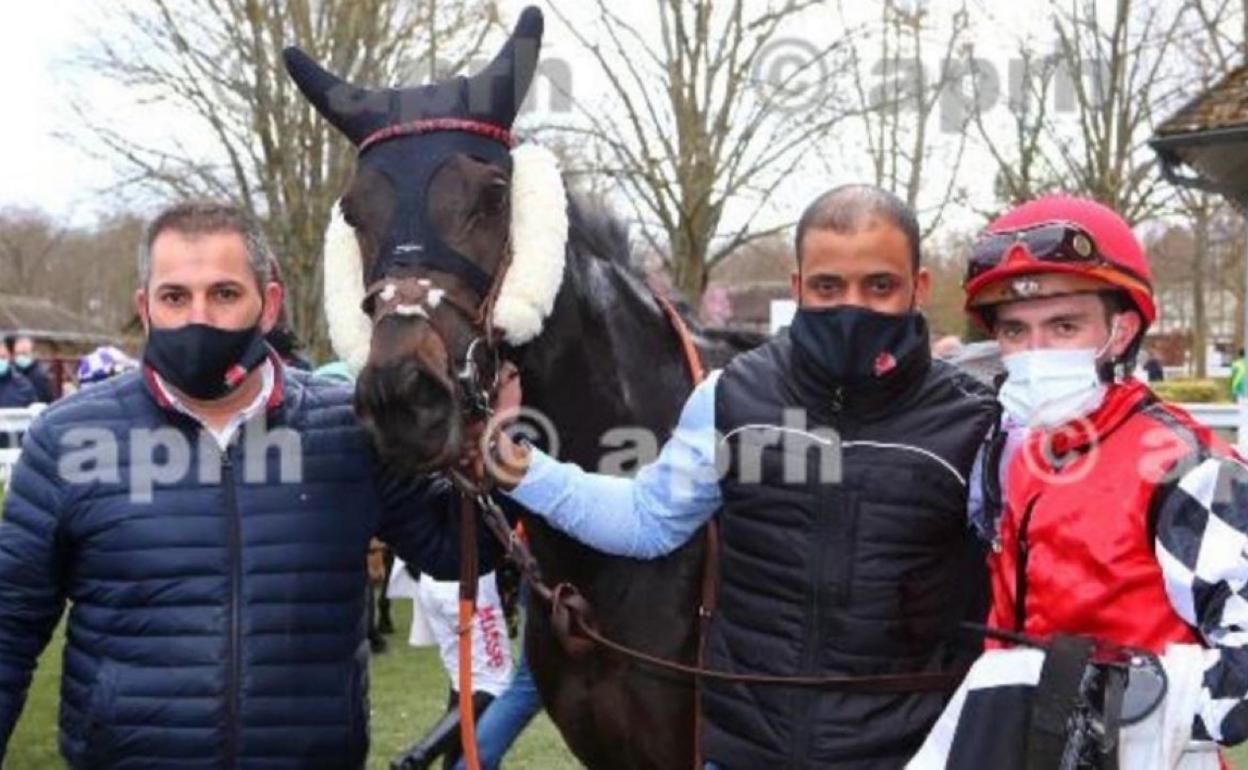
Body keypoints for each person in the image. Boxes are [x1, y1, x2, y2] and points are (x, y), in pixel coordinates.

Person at [481, 185, 1000, 769]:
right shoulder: (731, 397)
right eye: (828, 287)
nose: (852, 307)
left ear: (919, 287)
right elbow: (646, 520)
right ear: (798, 286)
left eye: (879, 286)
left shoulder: (976, 423)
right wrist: (513, 464)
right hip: (744, 755)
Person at [0, 201, 490, 769]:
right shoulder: (69, 438)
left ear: (269, 304)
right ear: (145, 307)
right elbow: (10, 626)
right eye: (174, 297)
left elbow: (457, 550)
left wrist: (501, 457)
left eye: (225, 294)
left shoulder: (351, 428)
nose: (199, 317)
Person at [910, 195, 1245, 768]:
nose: (1034, 352)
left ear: (1121, 331)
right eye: (1015, 330)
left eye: (1064, 326)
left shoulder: (1191, 465)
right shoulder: (1026, 453)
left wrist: (1101, 699)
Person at [389, 563, 513, 770]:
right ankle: (418, 756)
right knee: (495, 684)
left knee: (464, 682)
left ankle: (438, 761)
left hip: (433, 579)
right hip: (468, 579)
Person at [11, 336, 54, 402]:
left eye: (24, 354)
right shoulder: (9, 373)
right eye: (19, 354)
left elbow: (47, 398)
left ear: (31, 353)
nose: (21, 357)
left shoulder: (40, 375)